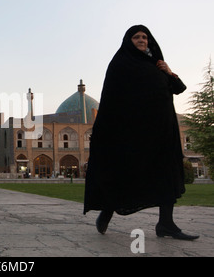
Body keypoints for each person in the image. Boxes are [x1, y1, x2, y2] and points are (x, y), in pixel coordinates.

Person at [83, 25, 199, 241]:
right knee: (127, 172)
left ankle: (166, 224)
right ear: (129, 40)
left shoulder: (155, 63)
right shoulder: (121, 64)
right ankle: (108, 208)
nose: (141, 40)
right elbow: (111, 99)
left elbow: (179, 88)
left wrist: (168, 71)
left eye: (144, 37)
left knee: (167, 173)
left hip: (163, 132)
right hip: (134, 133)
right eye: (136, 37)